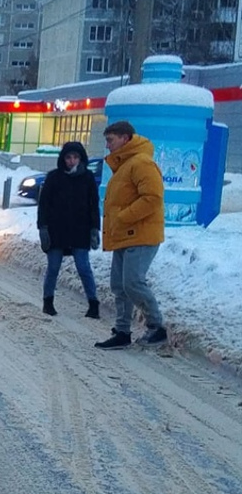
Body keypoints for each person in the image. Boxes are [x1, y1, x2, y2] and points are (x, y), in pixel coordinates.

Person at [95, 120, 167, 350]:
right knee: (119, 285)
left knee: (133, 282)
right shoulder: (125, 165)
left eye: (110, 140)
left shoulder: (141, 163)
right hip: (124, 235)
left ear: (125, 139)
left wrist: (123, 217)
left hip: (141, 234)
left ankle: (157, 327)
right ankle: (122, 332)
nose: (107, 146)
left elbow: (152, 198)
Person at [37, 141, 101, 319]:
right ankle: (48, 302)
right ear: (63, 159)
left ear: (81, 158)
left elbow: (94, 206)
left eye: (75, 157)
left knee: (83, 267)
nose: (72, 161)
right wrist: (42, 228)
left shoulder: (87, 178)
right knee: (53, 267)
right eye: (68, 157)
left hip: (80, 230)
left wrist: (95, 228)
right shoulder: (54, 177)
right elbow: (43, 205)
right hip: (56, 231)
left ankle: (93, 304)